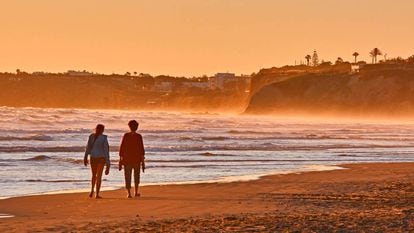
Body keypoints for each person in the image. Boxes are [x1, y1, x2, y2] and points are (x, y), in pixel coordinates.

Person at [119, 120, 145, 198]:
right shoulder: (139, 136)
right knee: (136, 175)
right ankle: (136, 192)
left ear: (129, 127)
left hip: (127, 159)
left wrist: (120, 159)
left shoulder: (126, 135)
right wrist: (143, 162)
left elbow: (121, 148)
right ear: (137, 127)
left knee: (127, 176)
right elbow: (141, 150)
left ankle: (129, 193)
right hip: (137, 159)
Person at [84, 124, 110, 199]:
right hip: (101, 158)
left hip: (93, 157)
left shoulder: (91, 136)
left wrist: (85, 157)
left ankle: (92, 190)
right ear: (102, 130)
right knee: (99, 176)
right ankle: (97, 194)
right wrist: (108, 164)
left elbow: (88, 148)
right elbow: (106, 151)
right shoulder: (104, 138)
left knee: (93, 175)